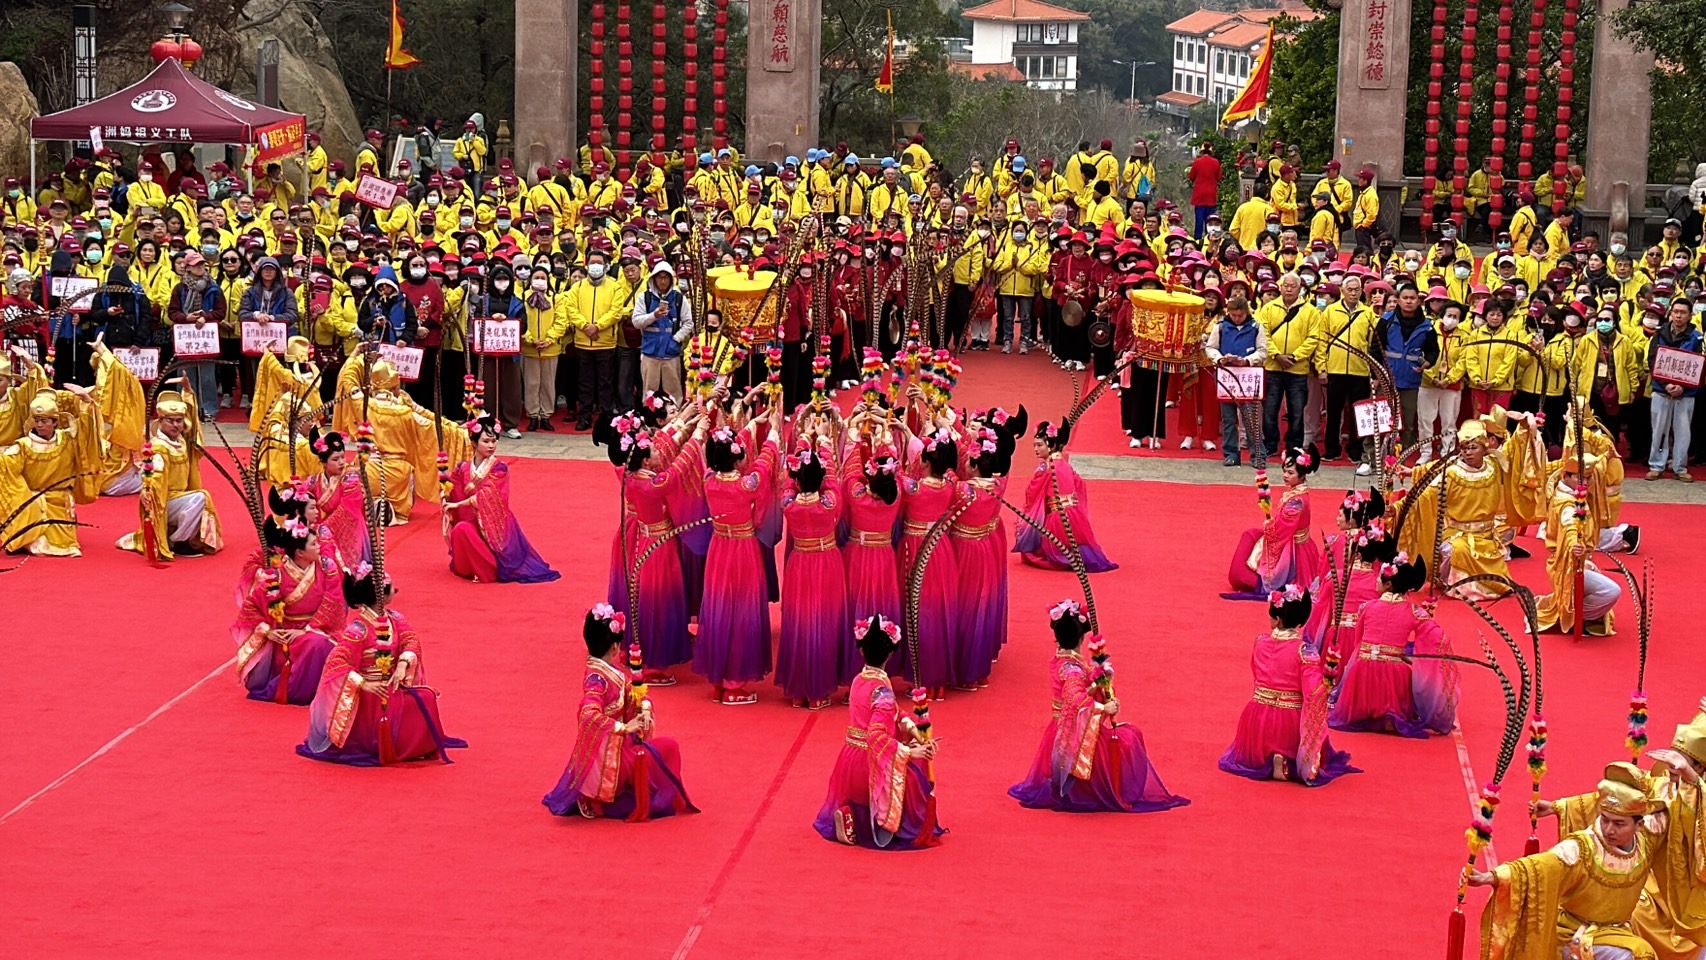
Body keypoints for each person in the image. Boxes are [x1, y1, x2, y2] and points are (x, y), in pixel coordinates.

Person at [1468, 762, 1665, 960]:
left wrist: (1688, 773)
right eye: (1605, 819)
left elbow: (1672, 804)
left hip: (1616, 932)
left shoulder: (1648, 836)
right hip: (1574, 932)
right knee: (1638, 955)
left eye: (1619, 824)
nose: (1609, 829)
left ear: (1639, 824)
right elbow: (1540, 866)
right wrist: (1491, 877)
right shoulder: (1582, 847)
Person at [1008, 599, 1189, 814]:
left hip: (1061, 727)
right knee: (1130, 738)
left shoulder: (1064, 660)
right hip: (1073, 731)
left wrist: (1095, 681)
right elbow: (1076, 700)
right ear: (1081, 638)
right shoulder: (1071, 668)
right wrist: (1105, 709)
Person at [297, 564, 466, 766]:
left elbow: (410, 639)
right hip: (370, 693)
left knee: (426, 697)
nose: (395, 590)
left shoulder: (395, 619)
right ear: (382, 596)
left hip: (393, 685)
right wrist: (363, 684)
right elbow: (336, 663)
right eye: (392, 587)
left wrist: (403, 664)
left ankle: (412, 745)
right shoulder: (358, 630)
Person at [542, 605, 697, 821]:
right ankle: (596, 801)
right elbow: (588, 714)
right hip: (609, 756)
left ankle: (599, 800)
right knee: (664, 754)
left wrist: (643, 707)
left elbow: (632, 696)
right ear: (615, 647)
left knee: (666, 750)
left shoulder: (609, 672)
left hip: (621, 746)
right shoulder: (597, 679)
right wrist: (624, 727)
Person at [812, 614, 944, 849]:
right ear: (891, 655)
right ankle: (868, 826)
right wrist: (910, 751)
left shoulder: (858, 681)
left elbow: (893, 712)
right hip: (869, 765)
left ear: (861, 651)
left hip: (849, 761)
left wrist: (914, 732)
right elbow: (876, 736)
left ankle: (853, 815)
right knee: (916, 787)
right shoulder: (883, 690)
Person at [1219, 585, 1358, 786]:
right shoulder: (1305, 652)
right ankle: (1287, 756)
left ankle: (1267, 755)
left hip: (1256, 719)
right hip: (1288, 721)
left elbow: (1256, 673)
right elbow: (1314, 692)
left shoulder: (1259, 642)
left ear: (1277, 620)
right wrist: (1329, 676)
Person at [694, 408, 780, 705]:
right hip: (743, 550)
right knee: (741, 611)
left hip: (719, 548)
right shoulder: (747, 485)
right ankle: (734, 682)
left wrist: (749, 427)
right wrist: (772, 434)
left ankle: (719, 677)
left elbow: (726, 452)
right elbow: (765, 464)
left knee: (719, 608)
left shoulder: (709, 479)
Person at [231, 488, 344, 705]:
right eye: (314, 544)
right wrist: (270, 632)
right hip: (286, 638)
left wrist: (307, 630)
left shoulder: (326, 567)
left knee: (317, 644)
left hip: (317, 630)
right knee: (310, 646)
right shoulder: (276, 576)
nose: (320, 547)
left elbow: (334, 602)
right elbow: (250, 608)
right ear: (299, 552)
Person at [1326, 553, 1457, 736]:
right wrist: (1416, 659)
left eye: (1380, 577)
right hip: (1394, 673)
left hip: (1362, 672)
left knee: (1360, 666)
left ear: (1388, 584)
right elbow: (1438, 637)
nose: (1376, 581)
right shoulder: (1414, 611)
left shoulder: (1367, 607)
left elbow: (1359, 642)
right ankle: (1389, 713)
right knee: (1405, 672)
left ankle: (1367, 711)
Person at [443, 416, 560, 583]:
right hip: (472, 519)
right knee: (461, 529)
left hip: (493, 525)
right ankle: (471, 567)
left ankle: (489, 569)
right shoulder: (463, 468)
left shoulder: (499, 468)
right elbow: (455, 490)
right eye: (486, 441)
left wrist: (458, 503)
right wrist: (446, 491)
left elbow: (489, 495)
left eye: (493, 441)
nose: (491, 446)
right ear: (474, 443)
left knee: (464, 529)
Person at [776, 434, 847, 710]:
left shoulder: (789, 504)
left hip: (799, 563)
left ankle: (799, 690)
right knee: (823, 622)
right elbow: (833, 482)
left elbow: (787, 481)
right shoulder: (828, 503)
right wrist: (826, 444)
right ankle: (819, 690)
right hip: (826, 561)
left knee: (800, 623)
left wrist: (804, 442)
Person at [117, 388, 224, 559]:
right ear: (160, 422)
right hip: (163, 500)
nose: (176, 425)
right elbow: (153, 475)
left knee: (198, 498)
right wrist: (147, 490)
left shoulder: (182, 441)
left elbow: (195, 429)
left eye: (179, 421)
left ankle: (178, 537)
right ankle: (179, 541)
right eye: (171, 421)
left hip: (178, 498)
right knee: (201, 497)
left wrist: (189, 394)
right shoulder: (159, 447)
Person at [0, 381, 102, 555]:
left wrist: (86, 401)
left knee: (65, 544)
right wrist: (26, 497)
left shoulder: (68, 440)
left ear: (55, 422)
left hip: (59, 501)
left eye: (45, 421)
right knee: (36, 541)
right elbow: (6, 473)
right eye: (37, 421)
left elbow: (87, 433)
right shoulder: (23, 446)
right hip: (32, 500)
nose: (40, 425)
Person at [1533, 449, 1623, 635]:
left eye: (1589, 478)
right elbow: (1569, 527)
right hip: (1567, 563)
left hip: (1580, 560)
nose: (1586, 483)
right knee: (1611, 591)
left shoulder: (1574, 492)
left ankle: (1578, 613)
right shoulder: (1566, 504)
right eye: (1580, 478)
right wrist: (1574, 545)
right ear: (1566, 475)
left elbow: (1596, 466)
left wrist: (1606, 456)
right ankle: (1576, 617)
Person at [1016, 419, 1116, 572]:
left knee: (1033, 554)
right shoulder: (1064, 464)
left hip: (1057, 519)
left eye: (1039, 445)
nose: (1036, 449)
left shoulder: (1046, 468)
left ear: (1051, 445)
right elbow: (1079, 483)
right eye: (1035, 445)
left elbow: (1031, 492)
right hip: (1075, 516)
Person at [1225, 445, 1322, 597]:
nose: (1285, 475)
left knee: (1251, 538)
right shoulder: (1296, 492)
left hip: (1295, 550)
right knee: (1252, 534)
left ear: (1302, 476)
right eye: (1284, 471)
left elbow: (1283, 530)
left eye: (1290, 473)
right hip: (1293, 540)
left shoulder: (1296, 500)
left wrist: (1270, 527)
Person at [1257, 274, 1320, 459]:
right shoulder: (1268, 308)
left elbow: (1313, 338)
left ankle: (1294, 445)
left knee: (1297, 410)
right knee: (1270, 410)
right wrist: (1276, 355)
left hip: (1297, 369)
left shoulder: (1310, 311)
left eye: (1293, 286)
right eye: (1286, 285)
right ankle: (1270, 444)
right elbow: (1263, 334)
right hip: (1272, 367)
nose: (1289, 289)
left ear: (1300, 288)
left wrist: (1294, 356)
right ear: (1280, 287)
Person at [1204, 293, 1270, 466]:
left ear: (1246, 313)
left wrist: (1247, 360)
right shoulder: (1220, 326)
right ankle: (1231, 454)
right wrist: (1219, 359)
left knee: (1251, 418)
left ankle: (1258, 456)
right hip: (1227, 376)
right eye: (1233, 315)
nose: (1237, 318)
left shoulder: (1256, 326)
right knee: (1228, 419)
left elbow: (1263, 351)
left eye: (1240, 315)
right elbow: (1210, 348)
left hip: (1248, 376)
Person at [1647, 296, 1702, 482]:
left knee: (1683, 431)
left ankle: (1679, 467)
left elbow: (1697, 367)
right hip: (1661, 390)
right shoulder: (1659, 334)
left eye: (1683, 313)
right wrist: (1666, 384)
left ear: (1689, 316)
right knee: (1659, 430)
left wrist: (1682, 386)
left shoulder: (1696, 338)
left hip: (1685, 393)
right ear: (1671, 313)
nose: (1678, 316)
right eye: (1676, 312)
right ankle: (1656, 465)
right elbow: (1652, 360)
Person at [303, 428, 370, 566]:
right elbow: (302, 505)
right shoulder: (313, 482)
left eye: (343, 457)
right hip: (327, 528)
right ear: (323, 462)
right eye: (335, 459)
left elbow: (347, 509)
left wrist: (321, 528)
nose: (341, 462)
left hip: (352, 527)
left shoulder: (350, 478)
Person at [631, 259, 692, 401]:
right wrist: (654, 315)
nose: (663, 281)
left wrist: (676, 339)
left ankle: (675, 419)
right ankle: (651, 420)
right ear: (654, 278)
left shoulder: (678, 298)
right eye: (660, 277)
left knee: (674, 392)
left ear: (671, 279)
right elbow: (636, 322)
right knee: (649, 393)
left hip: (671, 353)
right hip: (650, 352)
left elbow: (688, 323)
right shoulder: (644, 298)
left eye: (666, 277)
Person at [1187, 141, 1222, 238]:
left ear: (1201, 151)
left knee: (1199, 220)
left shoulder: (1197, 162)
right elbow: (1219, 177)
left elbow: (1191, 176)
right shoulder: (1216, 162)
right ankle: (1209, 239)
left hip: (1199, 196)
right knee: (1210, 220)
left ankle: (1198, 240)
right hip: (1211, 195)